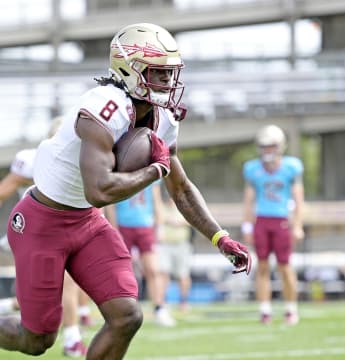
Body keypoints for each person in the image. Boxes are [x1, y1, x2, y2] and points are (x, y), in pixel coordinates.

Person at [0, 23, 251, 359]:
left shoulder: (163, 119)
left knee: (127, 316)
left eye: (170, 74)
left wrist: (219, 237)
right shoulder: (103, 107)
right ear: (129, 69)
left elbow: (181, 188)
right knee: (37, 341)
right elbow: (99, 190)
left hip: (86, 223)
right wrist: (153, 170)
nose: (168, 83)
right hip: (42, 223)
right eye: (159, 74)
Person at [0, 118, 90, 357]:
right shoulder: (34, 160)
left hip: (64, 231)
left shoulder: (86, 160)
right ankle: (72, 340)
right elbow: (3, 192)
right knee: (65, 285)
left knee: (36, 301)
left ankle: (71, 336)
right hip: (33, 232)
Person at [241, 124, 304, 325]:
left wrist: (298, 225)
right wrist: (247, 226)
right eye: (264, 146)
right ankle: (265, 310)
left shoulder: (291, 167)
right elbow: (249, 201)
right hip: (262, 220)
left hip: (282, 220)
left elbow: (299, 199)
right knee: (262, 266)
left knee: (285, 267)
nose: (267, 150)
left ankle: (291, 309)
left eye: (271, 146)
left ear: (280, 146)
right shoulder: (252, 169)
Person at [105, 183, 177, 327]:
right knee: (124, 270)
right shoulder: (120, 169)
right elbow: (111, 203)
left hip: (145, 225)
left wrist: (160, 225)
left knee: (153, 269)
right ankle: (127, 309)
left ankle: (159, 308)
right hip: (124, 224)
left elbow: (156, 199)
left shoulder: (149, 170)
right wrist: (114, 227)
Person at [157, 195, 193, 313]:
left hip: (182, 244)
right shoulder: (160, 206)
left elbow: (192, 220)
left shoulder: (184, 206)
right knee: (163, 274)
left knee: (183, 275)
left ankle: (183, 302)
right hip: (165, 245)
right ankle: (162, 302)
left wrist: (179, 222)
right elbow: (158, 219)